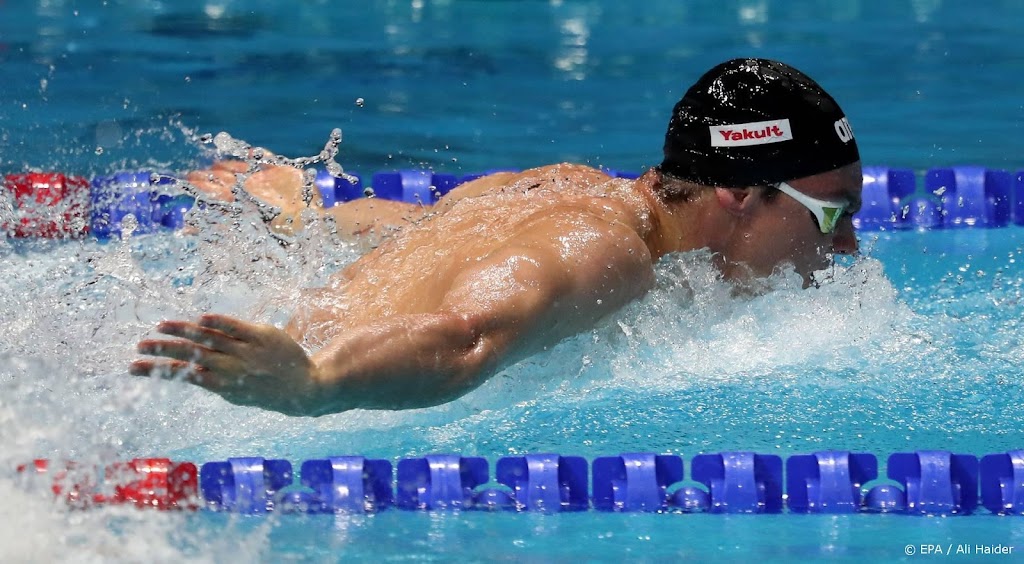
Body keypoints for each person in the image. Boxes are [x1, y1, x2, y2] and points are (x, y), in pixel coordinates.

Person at [130, 58, 863, 416]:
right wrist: (314, 385)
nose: (847, 250)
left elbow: (419, 232)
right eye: (833, 215)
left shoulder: (563, 184)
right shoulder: (608, 254)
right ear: (740, 192)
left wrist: (304, 221)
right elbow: (463, 337)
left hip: (226, 346)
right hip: (257, 399)